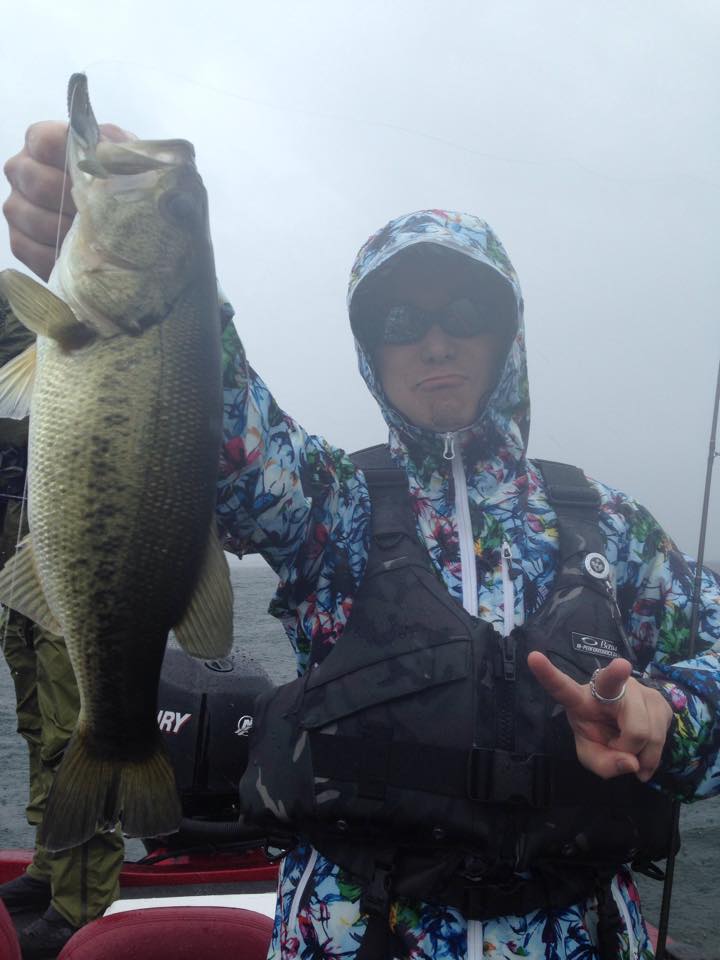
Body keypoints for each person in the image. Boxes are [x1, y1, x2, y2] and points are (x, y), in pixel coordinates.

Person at [4, 124, 720, 960]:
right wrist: (140, 243)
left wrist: (667, 715)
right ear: (370, 347)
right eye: (400, 319)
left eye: (466, 312)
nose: (436, 341)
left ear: (509, 332)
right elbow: (205, 416)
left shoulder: (610, 526)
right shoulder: (329, 503)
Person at [0, 294, 125, 959]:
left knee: (77, 727)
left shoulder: (29, 305)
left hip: (70, 546)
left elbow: (47, 396)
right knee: (36, 721)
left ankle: (82, 905)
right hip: (19, 547)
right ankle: (52, 867)